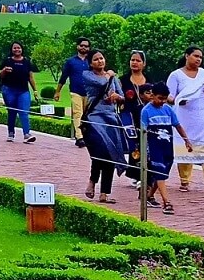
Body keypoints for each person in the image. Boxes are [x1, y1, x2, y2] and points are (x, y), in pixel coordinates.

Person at [167, 46, 204, 195]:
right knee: (186, 146)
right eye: (195, 56)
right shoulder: (176, 75)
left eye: (200, 57)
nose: (198, 59)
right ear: (186, 56)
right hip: (185, 118)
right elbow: (169, 96)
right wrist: (180, 100)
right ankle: (185, 181)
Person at [81, 49, 129, 204]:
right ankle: (92, 180)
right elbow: (101, 83)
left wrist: (117, 97)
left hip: (110, 118)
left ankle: (104, 193)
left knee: (111, 153)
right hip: (94, 117)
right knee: (100, 151)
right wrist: (110, 75)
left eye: (101, 58)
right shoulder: (87, 75)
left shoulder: (113, 78)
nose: (100, 61)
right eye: (96, 59)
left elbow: (121, 96)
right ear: (90, 63)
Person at [141, 83, 192, 215]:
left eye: (164, 98)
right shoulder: (146, 111)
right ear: (152, 96)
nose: (162, 101)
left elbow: (178, 126)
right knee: (159, 171)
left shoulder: (168, 110)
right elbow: (143, 131)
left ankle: (149, 195)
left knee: (163, 173)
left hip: (167, 147)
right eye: (160, 98)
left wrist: (186, 140)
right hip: (154, 147)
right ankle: (166, 202)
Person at [119, 51, 152, 188]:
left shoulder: (149, 80)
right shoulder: (123, 80)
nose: (134, 63)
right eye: (132, 60)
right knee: (134, 143)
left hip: (145, 116)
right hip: (129, 115)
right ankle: (137, 174)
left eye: (138, 60)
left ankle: (144, 173)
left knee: (146, 143)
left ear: (144, 64)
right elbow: (118, 95)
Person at [0, 42, 38, 143]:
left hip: (23, 90)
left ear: (22, 49)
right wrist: (4, 71)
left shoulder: (26, 62)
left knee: (24, 112)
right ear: (11, 50)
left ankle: (27, 134)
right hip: (9, 89)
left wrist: (35, 90)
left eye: (19, 48)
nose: (17, 50)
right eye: (14, 48)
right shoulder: (7, 61)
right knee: (12, 111)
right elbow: (0, 75)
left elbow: (30, 77)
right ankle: (11, 133)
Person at [55, 38, 92, 148]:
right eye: (81, 45)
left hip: (89, 93)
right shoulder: (71, 61)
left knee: (87, 115)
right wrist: (58, 92)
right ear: (77, 46)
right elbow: (64, 77)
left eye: (86, 46)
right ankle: (79, 137)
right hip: (75, 91)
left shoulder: (91, 61)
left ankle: (85, 136)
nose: (83, 47)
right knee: (78, 113)